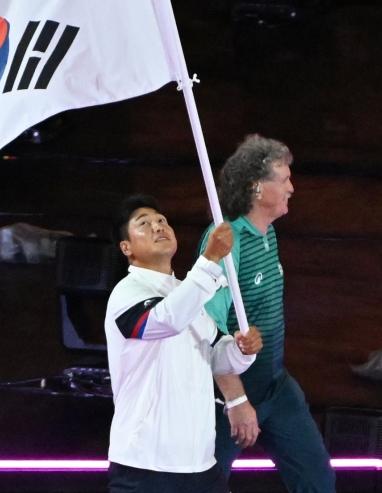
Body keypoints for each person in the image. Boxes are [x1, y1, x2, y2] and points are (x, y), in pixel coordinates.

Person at [200, 135, 335, 493]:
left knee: (318, 482)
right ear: (257, 188)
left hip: (275, 387)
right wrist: (237, 400)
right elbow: (205, 328)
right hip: (227, 399)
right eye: (284, 178)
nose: (292, 187)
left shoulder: (268, 234)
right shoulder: (226, 240)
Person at [105, 194, 263, 493]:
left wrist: (240, 350)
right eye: (145, 224)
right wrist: (210, 260)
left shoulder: (189, 296)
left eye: (162, 221)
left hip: (201, 466)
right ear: (126, 248)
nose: (158, 226)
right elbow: (167, 319)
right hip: (144, 467)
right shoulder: (126, 294)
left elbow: (216, 357)